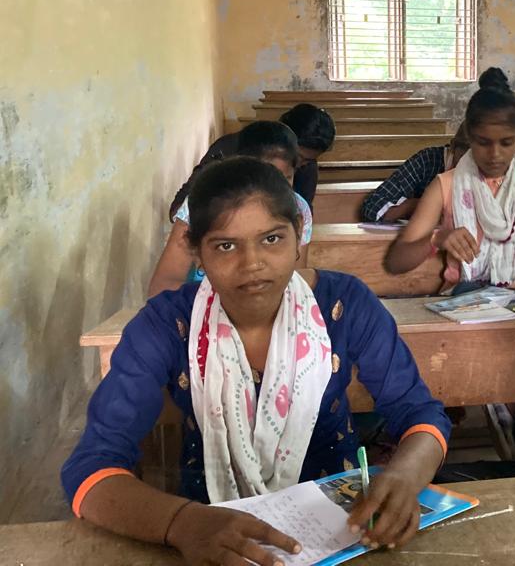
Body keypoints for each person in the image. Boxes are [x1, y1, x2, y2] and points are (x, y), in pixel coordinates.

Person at [63, 157, 449, 563]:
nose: (252, 263)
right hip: (209, 528)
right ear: (195, 251)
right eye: (225, 246)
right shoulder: (166, 325)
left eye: (272, 239)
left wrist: (405, 476)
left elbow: (419, 412)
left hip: (344, 529)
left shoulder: (346, 305)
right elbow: (91, 466)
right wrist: (180, 522)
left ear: (299, 235)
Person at [385, 67, 515, 458]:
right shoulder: (445, 185)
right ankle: (440, 432)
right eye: (483, 143)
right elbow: (397, 260)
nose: (495, 155)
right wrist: (438, 238)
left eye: (506, 143)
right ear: (469, 138)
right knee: (482, 343)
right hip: (466, 297)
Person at [148, 122, 314, 298]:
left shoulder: (298, 209)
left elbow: (294, 281)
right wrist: (218, 303)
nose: (272, 189)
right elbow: (162, 285)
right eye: (226, 246)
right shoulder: (202, 201)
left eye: (271, 239)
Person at [169, 103, 335, 217]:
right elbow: (179, 208)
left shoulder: (307, 167)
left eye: (309, 161)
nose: (301, 165)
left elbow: (301, 215)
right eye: (300, 157)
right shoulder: (228, 149)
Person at [361, 124, 472, 223]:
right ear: (453, 147)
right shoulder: (428, 161)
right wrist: (416, 205)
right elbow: (373, 209)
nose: (468, 168)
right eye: (463, 159)